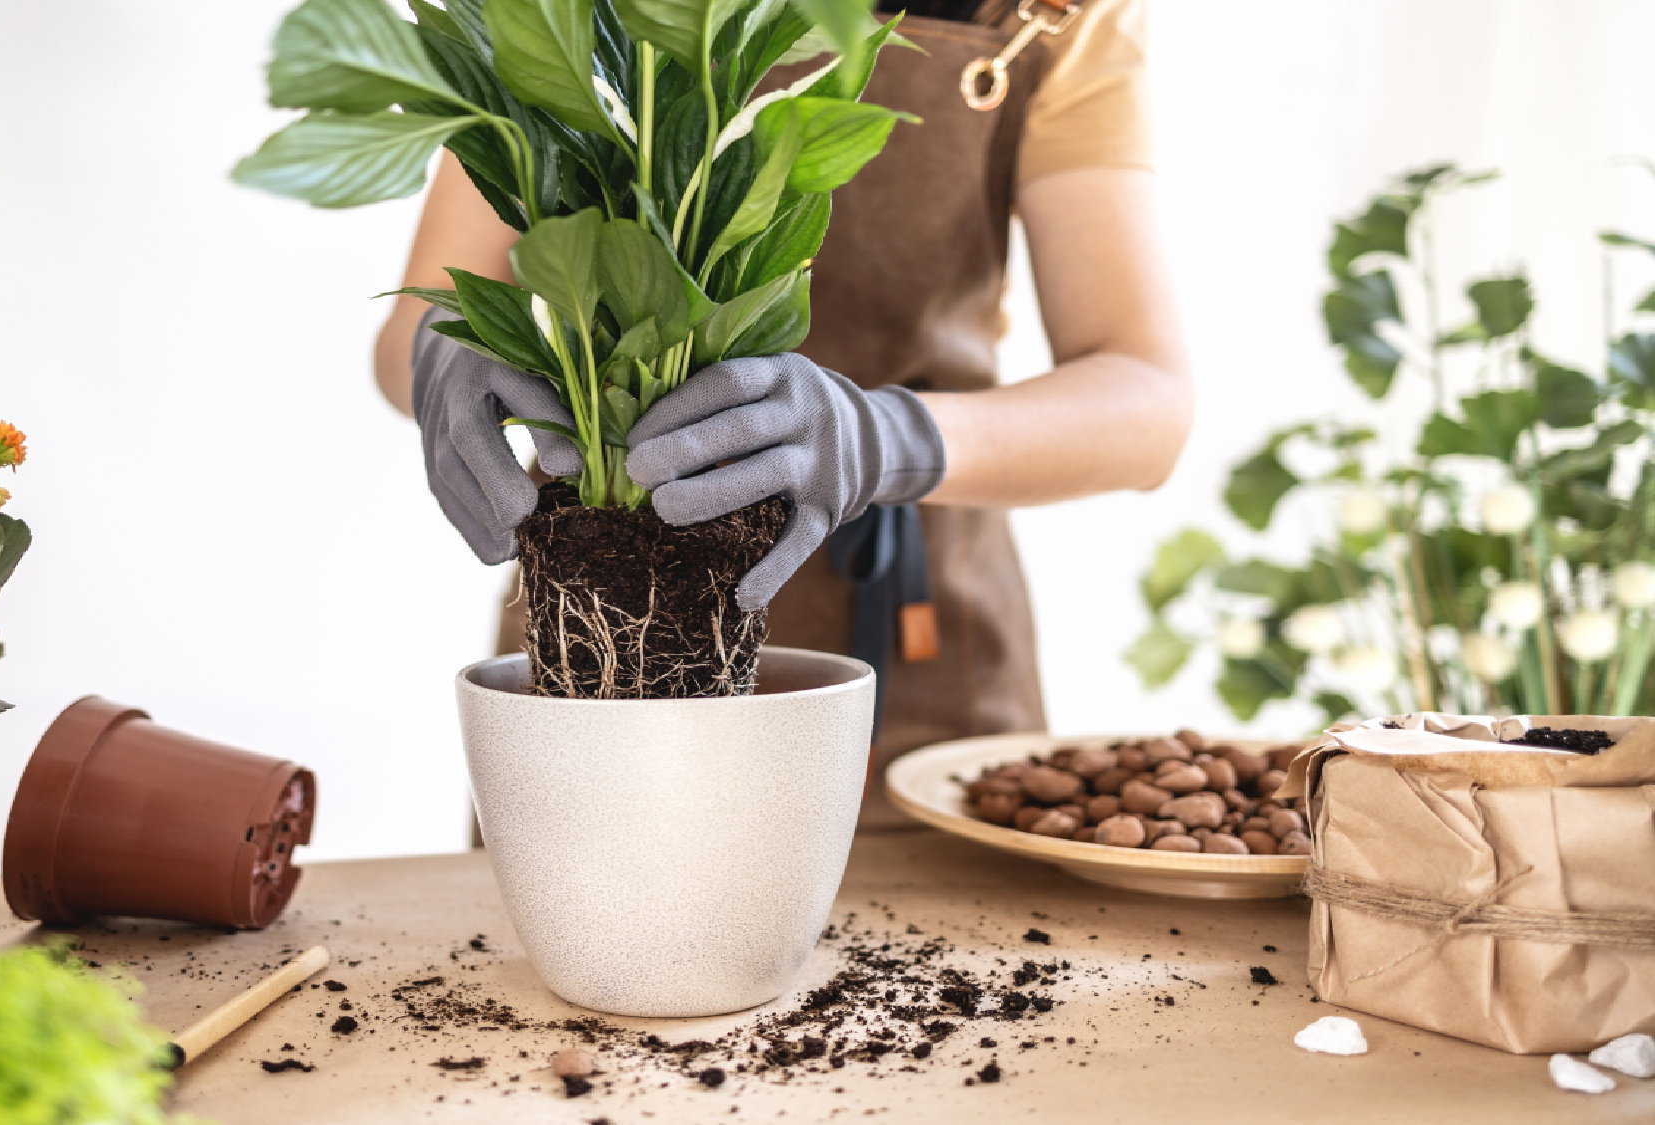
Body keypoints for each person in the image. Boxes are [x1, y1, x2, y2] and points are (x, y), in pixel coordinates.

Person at [373, 0, 1190, 827]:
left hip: (908, 653)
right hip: (598, 636)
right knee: (589, 920)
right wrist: (443, 342)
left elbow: (1147, 399)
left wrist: (882, 439)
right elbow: (417, 319)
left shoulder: (1053, 14)